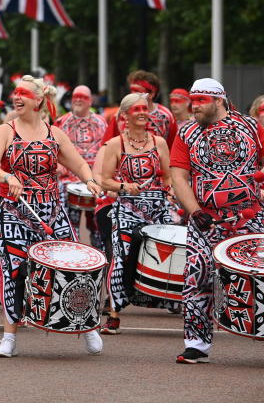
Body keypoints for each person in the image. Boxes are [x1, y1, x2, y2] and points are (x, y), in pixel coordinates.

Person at [0, 76, 105, 358]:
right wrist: (6, 175)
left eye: (23, 93)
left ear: (38, 100)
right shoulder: (5, 130)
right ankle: (8, 337)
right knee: (13, 272)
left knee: (76, 267)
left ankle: (87, 327)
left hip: (51, 210)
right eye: (15, 93)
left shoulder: (54, 133)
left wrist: (90, 180)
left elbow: (78, 163)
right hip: (14, 213)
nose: (17, 97)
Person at [169, 78, 264, 364]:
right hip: (206, 220)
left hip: (249, 216)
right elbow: (178, 176)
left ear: (218, 100)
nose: (193, 106)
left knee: (259, 281)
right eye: (192, 100)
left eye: (200, 101)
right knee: (196, 277)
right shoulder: (186, 133)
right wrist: (194, 210)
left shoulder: (251, 127)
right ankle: (196, 344)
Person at [97, 93, 176, 335]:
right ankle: (113, 314)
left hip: (157, 207)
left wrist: (170, 192)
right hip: (128, 208)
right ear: (125, 115)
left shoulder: (159, 142)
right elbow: (104, 180)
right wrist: (123, 187)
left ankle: (169, 300)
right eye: (136, 109)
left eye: (145, 108)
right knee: (120, 257)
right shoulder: (115, 144)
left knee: (165, 255)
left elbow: (168, 174)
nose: (142, 112)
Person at [54, 85, 108, 248]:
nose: (78, 99)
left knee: (100, 217)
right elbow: (52, 148)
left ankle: (99, 252)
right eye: (75, 96)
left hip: (94, 176)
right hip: (68, 178)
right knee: (68, 217)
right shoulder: (61, 122)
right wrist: (57, 164)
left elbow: (108, 149)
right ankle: (72, 247)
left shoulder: (101, 122)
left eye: (83, 97)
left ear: (90, 101)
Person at [102, 70, 177, 146]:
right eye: (131, 90)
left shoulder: (166, 116)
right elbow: (106, 145)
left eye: (137, 91)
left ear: (151, 94)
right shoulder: (122, 114)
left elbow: (173, 147)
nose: (132, 94)